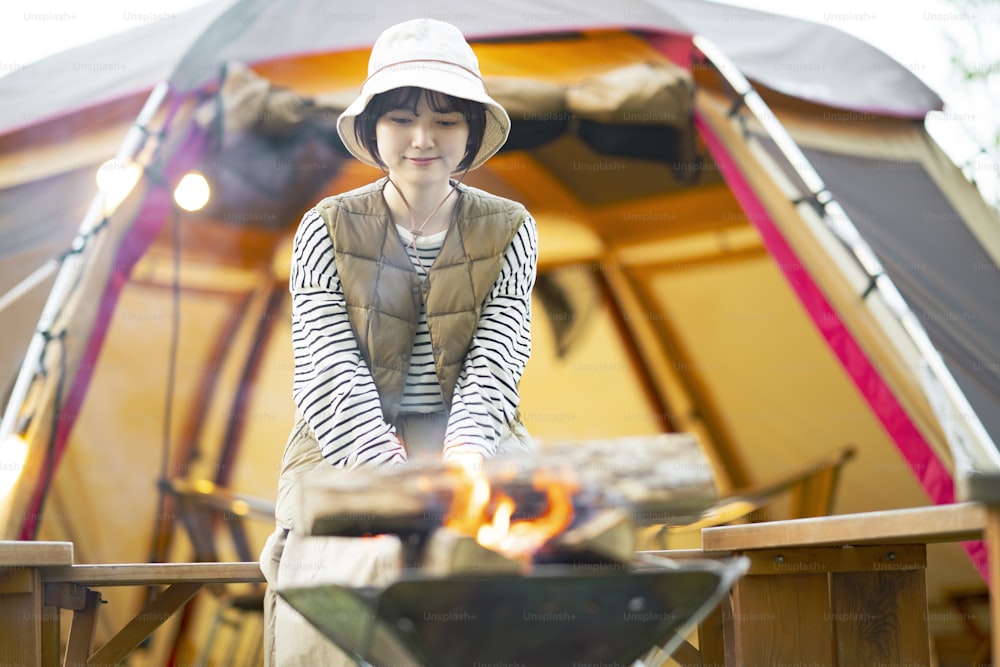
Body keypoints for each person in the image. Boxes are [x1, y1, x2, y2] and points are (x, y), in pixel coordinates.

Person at [259, 18, 538, 666]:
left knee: (534, 574)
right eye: (403, 117)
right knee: (342, 596)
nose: (422, 138)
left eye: (445, 119)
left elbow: (495, 364)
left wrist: (460, 468)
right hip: (343, 448)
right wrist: (394, 484)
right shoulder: (323, 227)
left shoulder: (511, 228)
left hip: (477, 441)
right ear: (374, 127)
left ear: (470, 131)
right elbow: (328, 370)